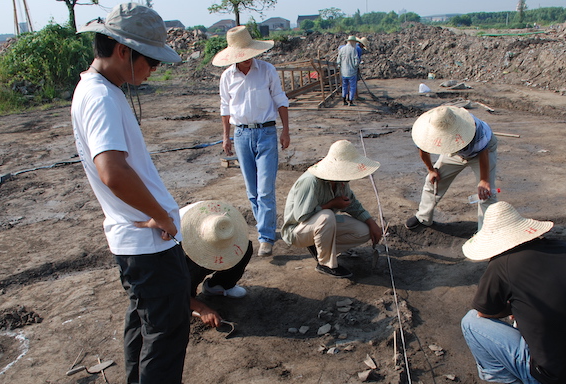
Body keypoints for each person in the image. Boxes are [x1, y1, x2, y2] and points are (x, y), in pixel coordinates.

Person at [72, 3, 214, 384]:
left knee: (144, 318)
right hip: (144, 238)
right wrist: (159, 214)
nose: (153, 68)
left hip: (134, 236)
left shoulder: (104, 88)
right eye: (149, 59)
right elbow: (111, 169)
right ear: (120, 50)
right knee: (168, 330)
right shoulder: (98, 96)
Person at [460, 202, 566, 384]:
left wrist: (512, 308)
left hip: (550, 380)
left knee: (470, 322)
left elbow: (485, 313)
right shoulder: (565, 250)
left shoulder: (502, 265)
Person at [213, 26, 290, 258]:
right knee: (253, 192)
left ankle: (265, 237)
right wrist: (226, 136)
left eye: (249, 56)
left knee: (266, 190)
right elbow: (225, 109)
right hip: (242, 135)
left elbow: (280, 99)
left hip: (266, 133)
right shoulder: (227, 76)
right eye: (242, 57)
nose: (247, 61)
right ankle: (264, 228)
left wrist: (286, 130)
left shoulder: (267, 70)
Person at [281, 140, 383, 278]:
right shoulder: (311, 181)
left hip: (320, 225)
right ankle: (326, 264)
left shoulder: (341, 181)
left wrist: (371, 222)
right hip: (297, 230)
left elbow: (352, 204)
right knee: (326, 216)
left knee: (364, 230)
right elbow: (302, 217)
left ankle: (321, 248)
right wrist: (331, 204)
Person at [405, 106, 498, 231]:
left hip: (481, 153)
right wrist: (431, 170)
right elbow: (423, 150)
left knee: (486, 192)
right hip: (456, 152)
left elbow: (483, 152)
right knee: (433, 180)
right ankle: (423, 217)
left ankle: (487, 231)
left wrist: (484, 180)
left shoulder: (474, 128)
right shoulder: (425, 131)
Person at [180, 200, 252, 328]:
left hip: (206, 233)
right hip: (181, 259)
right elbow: (168, 290)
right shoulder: (175, 244)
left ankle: (218, 285)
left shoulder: (218, 220)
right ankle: (189, 300)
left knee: (244, 248)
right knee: (183, 283)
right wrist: (201, 309)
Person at [337, 36, 360, 106]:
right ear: (353, 42)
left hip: (344, 72)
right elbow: (356, 61)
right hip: (352, 72)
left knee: (344, 86)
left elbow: (338, 61)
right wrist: (356, 67)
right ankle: (351, 101)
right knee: (352, 87)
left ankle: (344, 100)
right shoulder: (353, 50)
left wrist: (340, 67)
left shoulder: (342, 49)